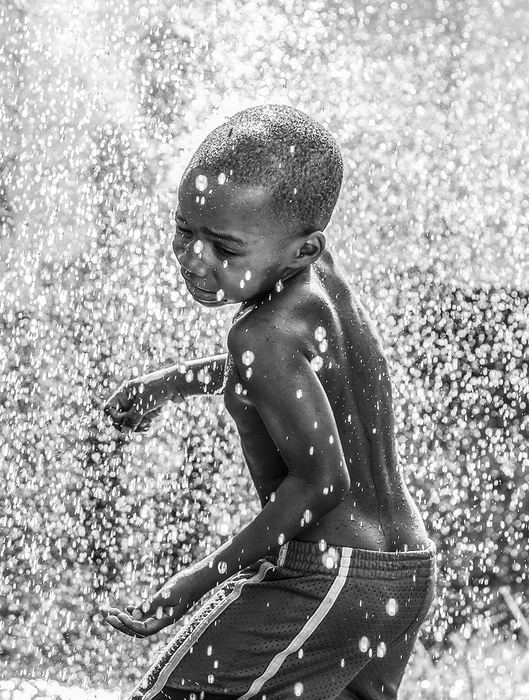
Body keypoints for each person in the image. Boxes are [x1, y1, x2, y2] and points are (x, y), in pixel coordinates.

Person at [103, 104, 437, 700]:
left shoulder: (257, 334)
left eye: (225, 249)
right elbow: (284, 380)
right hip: (404, 569)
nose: (194, 259)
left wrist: (186, 587)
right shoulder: (318, 288)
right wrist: (168, 384)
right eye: (185, 231)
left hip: (329, 575)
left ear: (303, 249)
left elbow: (319, 485)